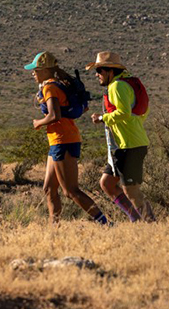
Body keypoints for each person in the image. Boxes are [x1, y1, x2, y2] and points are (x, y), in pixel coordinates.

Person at [25, 51, 110, 226]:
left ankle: (105, 223)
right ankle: (54, 227)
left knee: (70, 191)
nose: (33, 73)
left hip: (62, 140)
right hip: (59, 140)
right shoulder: (56, 84)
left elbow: (54, 115)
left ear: (45, 70)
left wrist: (38, 123)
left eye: (35, 69)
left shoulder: (50, 88)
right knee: (49, 188)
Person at [87, 51, 156, 222]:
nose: (97, 75)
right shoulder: (128, 83)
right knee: (107, 183)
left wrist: (102, 118)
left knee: (131, 191)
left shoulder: (117, 86)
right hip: (123, 145)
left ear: (110, 71)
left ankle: (151, 225)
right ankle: (137, 220)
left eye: (100, 70)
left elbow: (124, 113)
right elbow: (142, 111)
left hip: (129, 146)